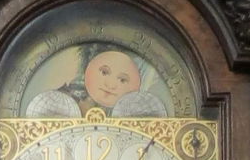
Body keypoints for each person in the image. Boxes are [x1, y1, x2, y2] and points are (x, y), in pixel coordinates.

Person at [26, 44, 170, 119]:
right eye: (104, 72)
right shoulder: (65, 100)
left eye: (122, 80)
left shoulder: (137, 111)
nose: (110, 85)